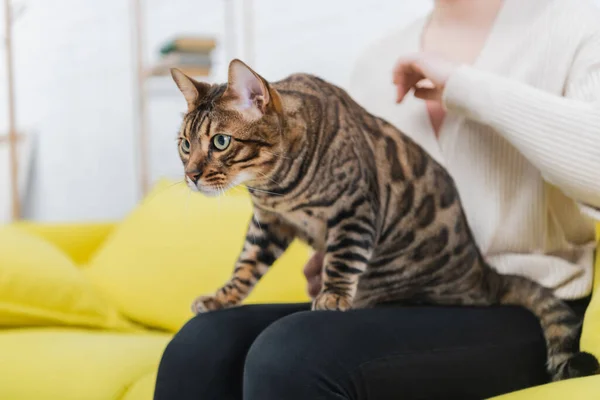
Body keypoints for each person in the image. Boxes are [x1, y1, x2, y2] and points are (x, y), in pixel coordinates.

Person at [153, 0, 600, 399]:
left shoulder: (575, 20)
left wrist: (467, 89)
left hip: (512, 301)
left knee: (292, 354)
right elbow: (360, 196)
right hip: (391, 295)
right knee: (203, 344)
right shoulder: (379, 57)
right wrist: (336, 253)